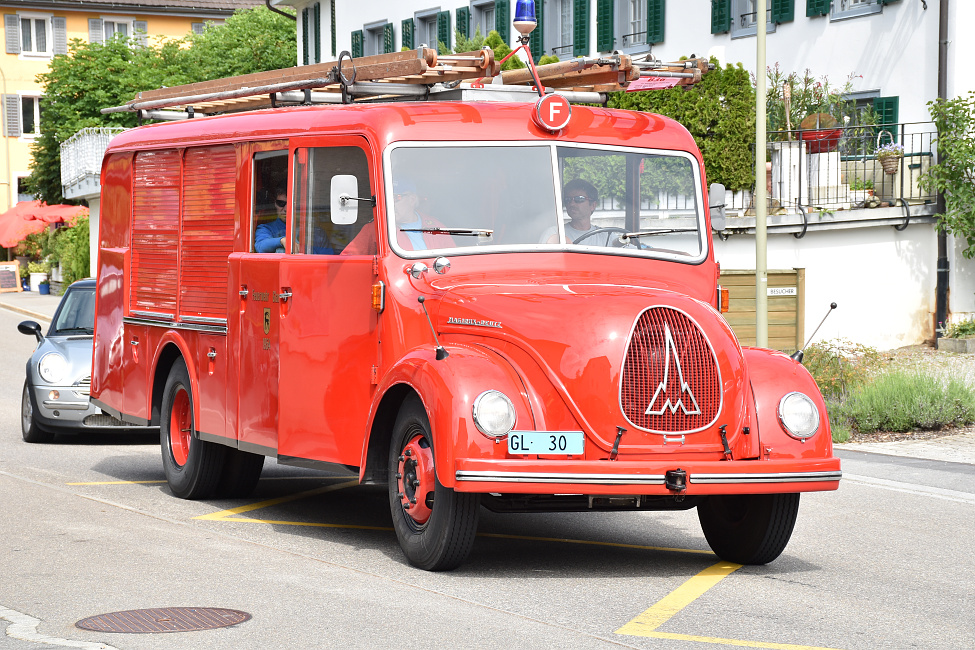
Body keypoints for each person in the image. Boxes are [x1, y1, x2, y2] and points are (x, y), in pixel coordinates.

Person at [342, 178, 453, 254]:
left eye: (396, 198)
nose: (389, 203)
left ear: (412, 199)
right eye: (386, 198)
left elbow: (455, 261)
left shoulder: (436, 226)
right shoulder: (376, 228)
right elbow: (348, 260)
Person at [540, 179, 615, 246]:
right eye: (568, 199)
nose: (572, 204)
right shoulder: (554, 233)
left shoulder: (607, 236)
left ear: (592, 205)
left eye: (579, 199)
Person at [254, 188, 288, 253]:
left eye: (290, 204)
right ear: (275, 204)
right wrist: (281, 241)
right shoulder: (265, 228)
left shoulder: (307, 229)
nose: (286, 209)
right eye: (281, 203)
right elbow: (260, 246)